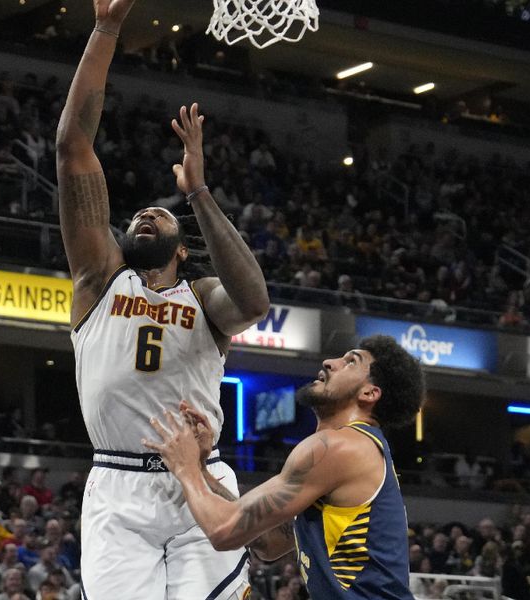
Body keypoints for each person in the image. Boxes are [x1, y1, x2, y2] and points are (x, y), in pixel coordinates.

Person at [57, 2, 269, 600]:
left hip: (197, 475)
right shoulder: (100, 280)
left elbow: (254, 302)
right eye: (136, 215)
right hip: (117, 483)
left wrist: (197, 191)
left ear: (182, 248)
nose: (146, 214)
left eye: (159, 213)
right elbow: (73, 146)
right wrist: (105, 28)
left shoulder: (203, 298)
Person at [144, 335, 425, 599]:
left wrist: (185, 468)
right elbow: (270, 543)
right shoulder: (356, 449)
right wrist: (201, 469)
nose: (330, 362)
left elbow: (223, 530)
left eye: (351, 361)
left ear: (369, 392)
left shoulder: (340, 447)